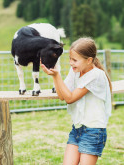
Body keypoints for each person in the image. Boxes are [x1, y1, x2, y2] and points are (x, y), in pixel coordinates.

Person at [41, 37, 112, 165]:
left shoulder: (96, 75)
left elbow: (70, 98)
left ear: (89, 60)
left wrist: (57, 76)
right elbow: (62, 95)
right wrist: (54, 76)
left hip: (94, 131)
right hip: (77, 129)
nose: (71, 63)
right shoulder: (75, 71)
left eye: (74, 60)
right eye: (70, 59)